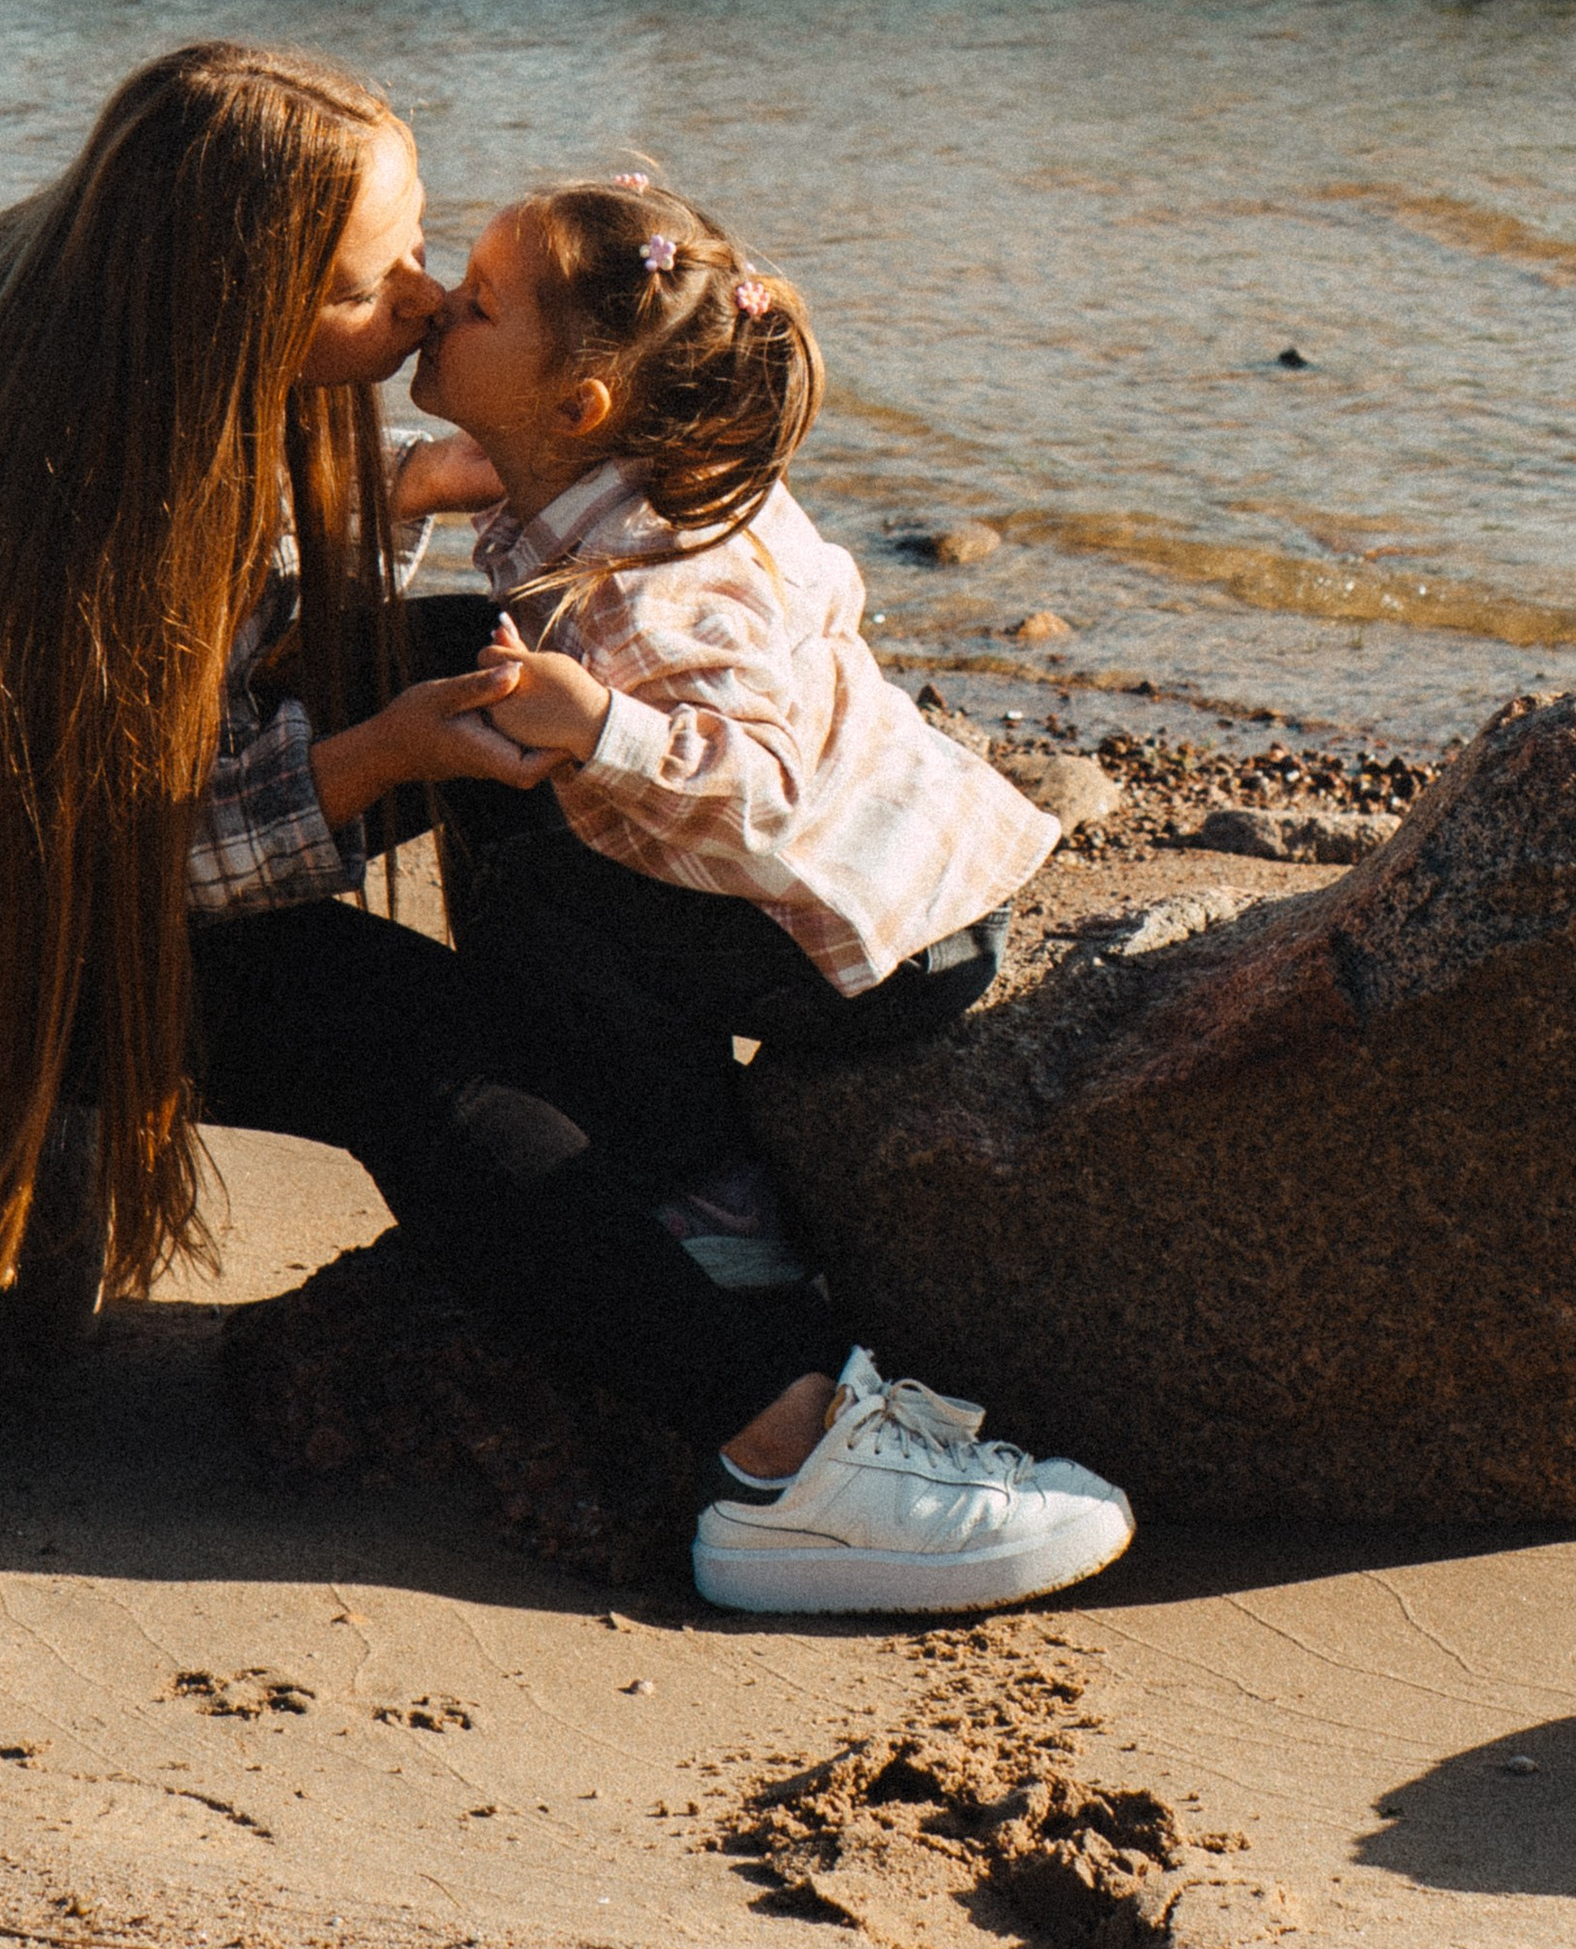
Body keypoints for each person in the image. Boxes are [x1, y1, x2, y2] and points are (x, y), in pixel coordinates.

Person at [0, 43, 1129, 1615]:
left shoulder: (107, 327)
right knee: (398, 1028)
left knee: (487, 671)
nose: (421, 301)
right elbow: (74, 870)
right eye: (376, 283)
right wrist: (364, 766)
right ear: (240, 302)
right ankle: (791, 1452)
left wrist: (506, 509)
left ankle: (649, 1161)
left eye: (422, 255)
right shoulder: (55, 505)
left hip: (31, 836)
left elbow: (243, 629)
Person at [396, 169, 1118, 1606]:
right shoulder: (654, 482)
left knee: (543, 892)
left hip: (879, 941)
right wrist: (434, 475)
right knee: (527, 814)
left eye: (475, 304)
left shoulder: (650, 601)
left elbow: (770, 800)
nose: (430, 298)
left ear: (581, 409)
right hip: (923, 870)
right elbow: (515, 487)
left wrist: (603, 728)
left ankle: (704, 1193)